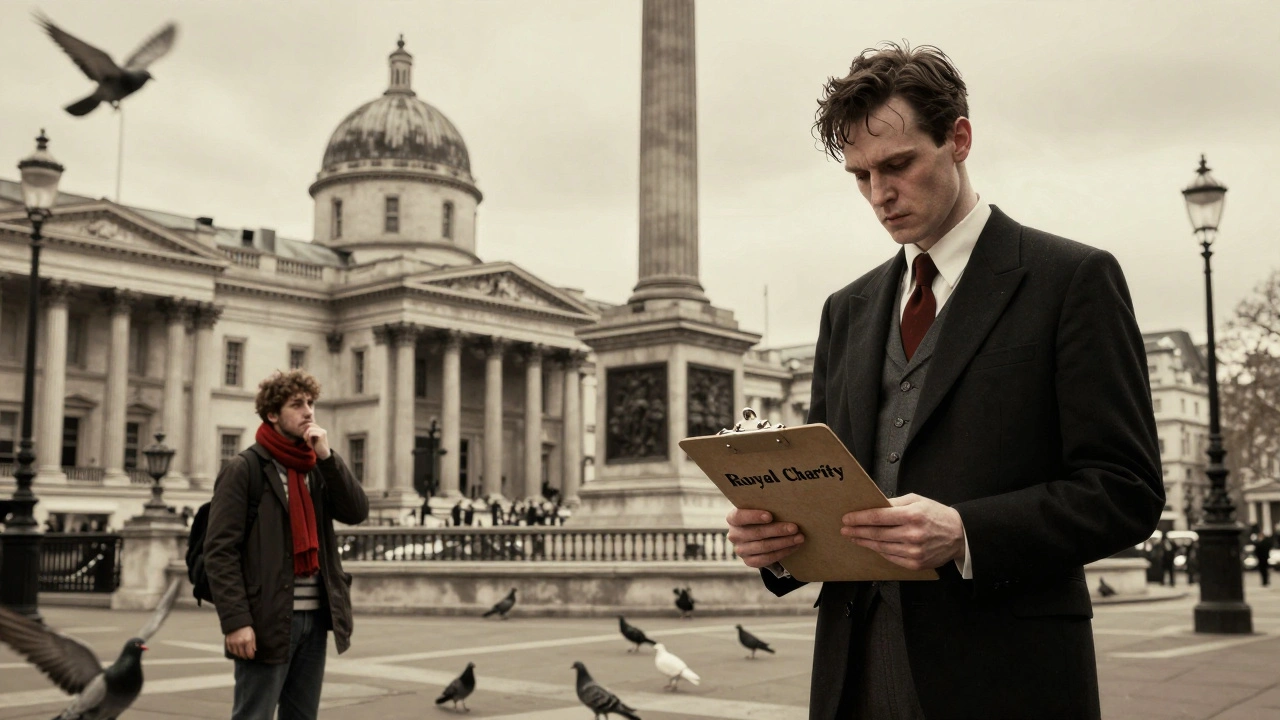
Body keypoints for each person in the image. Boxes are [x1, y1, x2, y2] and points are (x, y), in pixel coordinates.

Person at [725, 43, 1163, 720]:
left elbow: (1125, 488)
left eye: (899, 164)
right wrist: (781, 547)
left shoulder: (1070, 280)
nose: (880, 195)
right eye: (860, 176)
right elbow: (830, 482)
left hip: (1005, 673)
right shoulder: (847, 310)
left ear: (958, 138)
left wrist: (966, 532)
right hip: (855, 671)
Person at [204, 369, 369, 720]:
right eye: (297, 404)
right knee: (254, 715)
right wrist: (235, 621)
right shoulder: (244, 469)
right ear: (273, 414)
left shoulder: (315, 468)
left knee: (302, 716)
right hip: (266, 618)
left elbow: (356, 511)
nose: (309, 411)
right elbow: (220, 552)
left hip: (314, 616)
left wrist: (328, 458)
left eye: (311, 403)